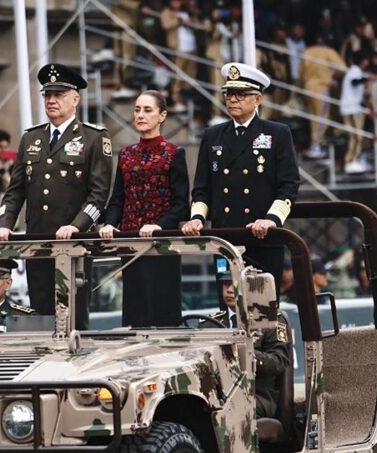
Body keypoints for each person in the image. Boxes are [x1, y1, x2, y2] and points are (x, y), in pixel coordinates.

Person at [0, 63, 113, 328]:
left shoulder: (93, 138)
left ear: (75, 99)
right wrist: (4, 225)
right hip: (38, 243)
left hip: (74, 245)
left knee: (74, 318)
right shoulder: (31, 138)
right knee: (41, 316)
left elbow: (98, 195)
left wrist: (77, 226)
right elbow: (14, 192)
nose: (51, 100)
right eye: (47, 95)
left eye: (58, 95)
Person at [182, 62, 300, 286]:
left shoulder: (277, 133)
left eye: (241, 94)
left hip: (263, 237)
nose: (233, 99)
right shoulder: (213, 135)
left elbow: (289, 185)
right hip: (225, 238)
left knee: (263, 303)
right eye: (229, 94)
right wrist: (197, 218)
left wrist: (271, 219)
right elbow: (201, 189)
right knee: (227, 301)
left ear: (257, 99)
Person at [99, 90, 189, 327]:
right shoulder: (126, 154)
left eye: (147, 110)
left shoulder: (174, 153)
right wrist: (110, 223)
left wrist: (159, 226)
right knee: (135, 313)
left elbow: (181, 205)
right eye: (137, 110)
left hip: (162, 244)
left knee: (163, 312)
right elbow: (118, 198)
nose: (140, 115)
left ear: (162, 115)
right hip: (131, 243)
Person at [205, 270, 290, 419]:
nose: (230, 290)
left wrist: (245, 353)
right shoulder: (209, 324)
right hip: (215, 393)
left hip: (256, 393)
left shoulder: (271, 321)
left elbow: (279, 362)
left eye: (236, 285)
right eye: (226, 284)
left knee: (232, 412)